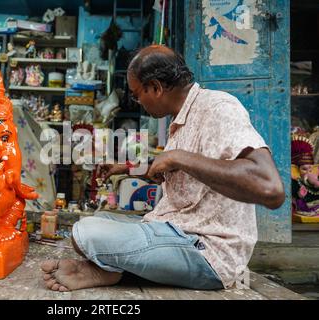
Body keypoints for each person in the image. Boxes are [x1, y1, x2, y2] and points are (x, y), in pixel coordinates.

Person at [41, 45, 285, 292]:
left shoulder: (218, 108)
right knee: (100, 219)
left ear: (156, 88)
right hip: (175, 230)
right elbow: (176, 169)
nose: (137, 102)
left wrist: (178, 157)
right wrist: (126, 168)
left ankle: (111, 269)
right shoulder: (181, 119)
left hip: (206, 252)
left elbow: (270, 189)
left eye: (137, 94)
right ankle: (110, 271)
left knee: (87, 232)